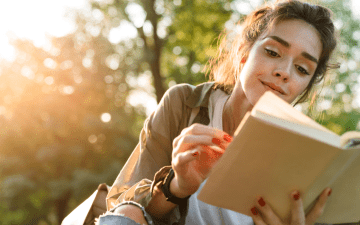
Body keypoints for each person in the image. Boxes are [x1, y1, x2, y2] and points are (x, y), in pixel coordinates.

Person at [96, 0, 337, 224]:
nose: (284, 72)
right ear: (244, 53)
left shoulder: (299, 155)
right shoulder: (184, 104)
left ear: (305, 86)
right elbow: (120, 204)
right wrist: (177, 186)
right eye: (273, 52)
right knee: (129, 211)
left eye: (302, 69)